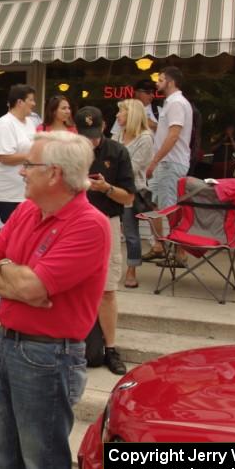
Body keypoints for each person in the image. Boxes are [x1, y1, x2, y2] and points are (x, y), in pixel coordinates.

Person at [0, 131, 111, 469]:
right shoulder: (26, 210)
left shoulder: (89, 224)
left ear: (53, 174)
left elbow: (31, 286)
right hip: (7, 344)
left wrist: (8, 274)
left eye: (28, 165)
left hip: (48, 356)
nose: (22, 172)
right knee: (3, 456)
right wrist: (15, 277)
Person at [75, 107, 135, 376]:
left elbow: (129, 198)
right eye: (86, 135)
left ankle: (111, 348)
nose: (91, 141)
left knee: (108, 288)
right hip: (74, 222)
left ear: (104, 126)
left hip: (107, 221)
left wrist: (106, 188)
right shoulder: (69, 151)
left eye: (95, 134)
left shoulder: (117, 152)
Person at [144, 66, 193, 267]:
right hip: (165, 163)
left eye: (161, 79)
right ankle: (159, 245)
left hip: (170, 163)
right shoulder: (171, 103)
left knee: (170, 208)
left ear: (171, 82)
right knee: (154, 203)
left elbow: (174, 135)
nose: (157, 82)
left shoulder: (176, 103)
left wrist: (155, 160)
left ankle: (179, 252)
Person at [0, 84, 37, 228]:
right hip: (5, 191)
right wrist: (33, 156)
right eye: (31, 100)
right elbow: (5, 157)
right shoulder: (5, 123)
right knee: (8, 236)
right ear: (19, 102)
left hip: (23, 189)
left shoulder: (29, 122)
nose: (34, 104)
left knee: (23, 235)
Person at [112, 99, 154, 289]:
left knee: (130, 233)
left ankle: (131, 270)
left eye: (121, 112)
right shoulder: (119, 135)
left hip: (131, 191)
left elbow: (134, 167)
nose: (117, 115)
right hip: (111, 190)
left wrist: (112, 168)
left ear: (132, 115)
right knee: (110, 230)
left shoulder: (145, 138)